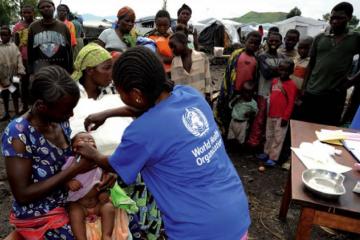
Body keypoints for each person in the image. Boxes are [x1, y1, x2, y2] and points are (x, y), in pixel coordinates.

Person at [75, 47, 251, 240]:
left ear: (136, 94)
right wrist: (109, 113)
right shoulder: (191, 96)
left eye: (120, 92)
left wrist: (91, 153)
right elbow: (153, 108)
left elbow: (114, 164)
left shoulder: (141, 132)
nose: (120, 97)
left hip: (199, 229)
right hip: (235, 211)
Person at [1, 65, 101, 239]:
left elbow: (69, 161)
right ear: (41, 106)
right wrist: (75, 169)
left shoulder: (58, 122)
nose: (70, 115)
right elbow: (22, 194)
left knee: (122, 216)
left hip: (69, 199)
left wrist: (99, 170)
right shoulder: (18, 134)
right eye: (66, 110)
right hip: (38, 213)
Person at [299, 2, 360, 126]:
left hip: (334, 96)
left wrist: (350, 82)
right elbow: (311, 64)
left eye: (339, 18)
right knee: (305, 127)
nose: (334, 21)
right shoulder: (320, 38)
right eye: (332, 18)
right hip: (312, 93)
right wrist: (304, 88)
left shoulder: (355, 39)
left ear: (349, 18)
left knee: (326, 131)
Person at [63, 132, 115, 240]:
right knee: (74, 211)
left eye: (91, 140)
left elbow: (108, 177)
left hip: (97, 203)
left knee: (108, 207)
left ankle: (107, 235)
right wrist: (69, 182)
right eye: (82, 139)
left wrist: (105, 192)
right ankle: (81, 237)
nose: (87, 141)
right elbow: (62, 177)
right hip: (80, 205)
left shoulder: (99, 161)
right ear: (74, 149)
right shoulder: (71, 162)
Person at [215, 31, 262, 136]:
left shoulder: (256, 59)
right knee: (228, 111)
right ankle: (226, 133)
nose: (253, 45)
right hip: (232, 90)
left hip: (246, 93)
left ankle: (240, 137)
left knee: (242, 115)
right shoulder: (236, 54)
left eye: (256, 44)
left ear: (259, 45)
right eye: (251, 42)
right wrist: (225, 88)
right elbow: (228, 72)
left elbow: (256, 77)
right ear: (245, 41)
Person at [247, 32, 285, 150]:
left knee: (271, 120)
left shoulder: (282, 57)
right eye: (271, 41)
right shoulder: (262, 56)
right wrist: (280, 70)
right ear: (267, 41)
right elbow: (267, 73)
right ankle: (254, 143)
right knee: (260, 119)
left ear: (280, 42)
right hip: (263, 92)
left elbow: (283, 72)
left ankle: (266, 144)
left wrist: (273, 69)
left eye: (276, 41)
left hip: (277, 94)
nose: (273, 43)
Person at [262, 59, 297, 166]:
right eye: (281, 70)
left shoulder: (291, 85)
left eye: (286, 71)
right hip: (271, 114)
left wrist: (285, 118)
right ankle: (266, 152)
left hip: (281, 117)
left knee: (278, 138)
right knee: (269, 135)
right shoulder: (274, 81)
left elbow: (291, 103)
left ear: (291, 72)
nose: (283, 73)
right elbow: (271, 96)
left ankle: (273, 157)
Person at [27, 0, 73, 74]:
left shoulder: (63, 27)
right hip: (40, 70)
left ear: (54, 8)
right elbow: (30, 50)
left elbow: (69, 50)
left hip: (60, 69)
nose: (45, 8)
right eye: (42, 7)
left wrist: (70, 69)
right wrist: (30, 70)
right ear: (39, 10)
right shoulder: (33, 27)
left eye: (48, 6)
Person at [169, 32, 212, 100]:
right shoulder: (175, 62)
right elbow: (175, 84)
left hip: (200, 97)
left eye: (174, 46)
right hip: (184, 100)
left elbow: (207, 76)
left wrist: (208, 93)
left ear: (184, 43)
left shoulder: (201, 57)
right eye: (171, 47)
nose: (172, 50)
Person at [0, 26, 25, 121]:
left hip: (15, 75)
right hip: (3, 77)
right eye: (1, 35)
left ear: (10, 35)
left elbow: (19, 59)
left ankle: (17, 112)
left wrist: (21, 70)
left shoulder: (14, 47)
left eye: (5, 35)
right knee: (4, 93)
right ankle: (6, 112)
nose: (3, 37)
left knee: (15, 91)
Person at [13, 4, 35, 113]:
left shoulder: (37, 25)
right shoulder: (18, 26)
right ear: (21, 14)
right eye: (24, 12)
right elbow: (15, 43)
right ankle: (25, 105)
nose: (26, 14)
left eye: (29, 12)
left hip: (37, 58)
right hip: (23, 59)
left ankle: (36, 105)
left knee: (37, 81)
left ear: (33, 13)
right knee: (24, 82)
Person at [227, 81, 258, 146]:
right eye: (245, 92)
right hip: (233, 121)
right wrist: (235, 99)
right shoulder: (238, 98)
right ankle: (231, 148)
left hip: (243, 123)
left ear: (253, 94)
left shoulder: (253, 103)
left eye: (249, 93)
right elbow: (230, 105)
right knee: (231, 137)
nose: (246, 95)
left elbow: (256, 112)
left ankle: (239, 150)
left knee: (241, 139)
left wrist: (250, 113)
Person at [146, 10, 173, 74]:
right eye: (159, 25)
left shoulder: (174, 38)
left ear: (170, 24)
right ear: (155, 24)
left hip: (173, 73)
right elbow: (150, 57)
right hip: (156, 73)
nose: (162, 28)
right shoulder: (150, 38)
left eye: (165, 25)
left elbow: (177, 57)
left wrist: (161, 58)